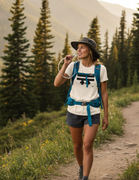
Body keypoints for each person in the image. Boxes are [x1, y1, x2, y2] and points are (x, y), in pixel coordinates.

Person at [54, 37, 108, 180]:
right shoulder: (74, 66)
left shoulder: (100, 69)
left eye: (82, 47)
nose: (78, 50)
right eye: (78, 47)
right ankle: (82, 167)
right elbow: (57, 83)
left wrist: (106, 116)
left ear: (90, 51)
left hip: (93, 111)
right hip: (74, 111)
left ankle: (84, 177)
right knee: (77, 146)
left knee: (87, 145)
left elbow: (104, 92)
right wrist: (65, 65)